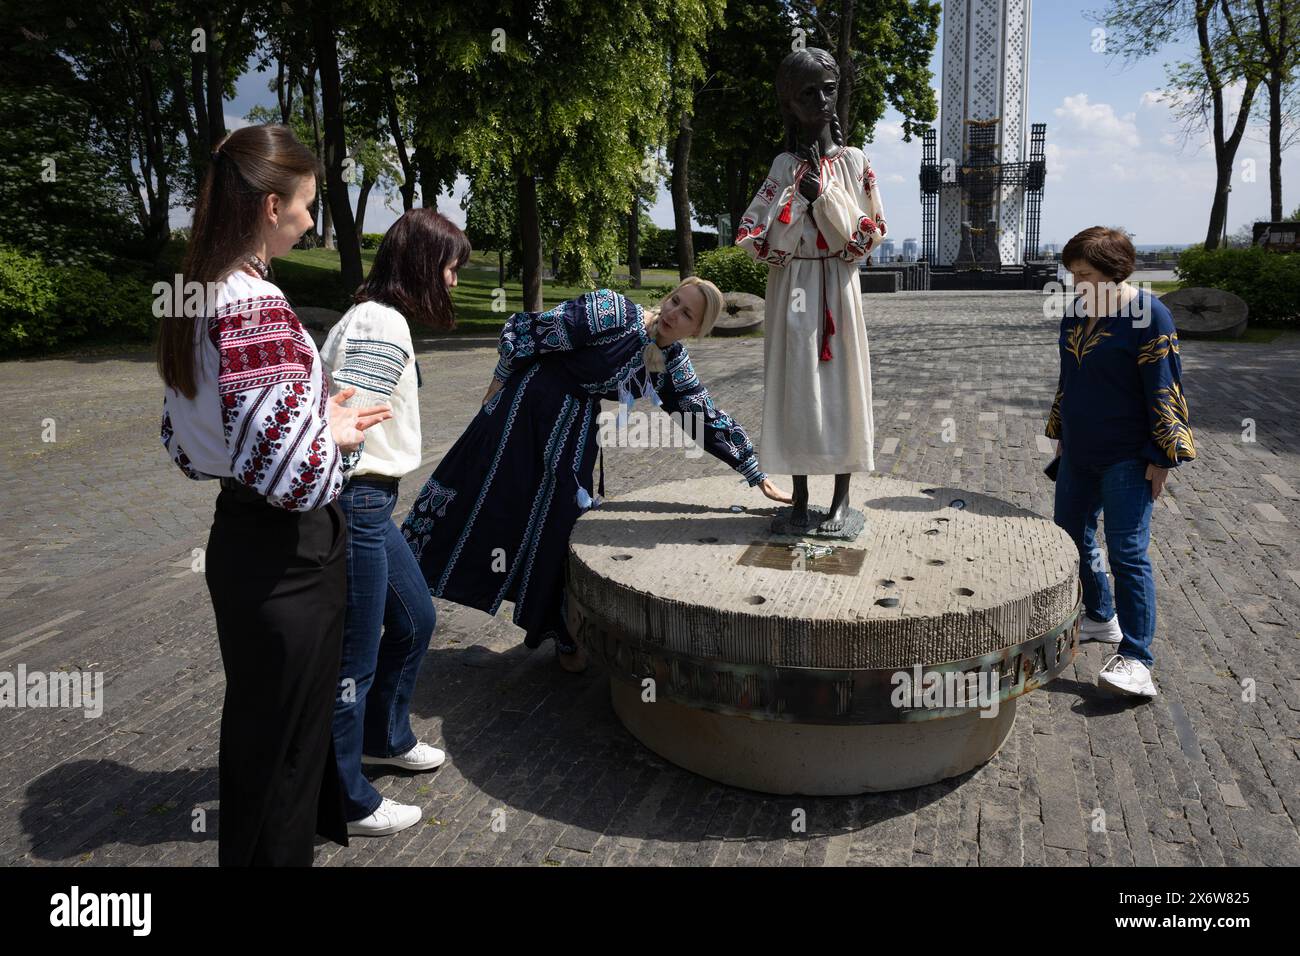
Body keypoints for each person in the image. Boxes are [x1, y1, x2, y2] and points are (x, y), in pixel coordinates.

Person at [157, 124, 391, 865]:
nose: (312, 221)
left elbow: (183, 440)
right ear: (268, 206)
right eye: (306, 205)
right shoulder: (257, 307)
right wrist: (338, 439)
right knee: (283, 765)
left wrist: (315, 419)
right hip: (290, 561)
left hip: (242, 544)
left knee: (263, 744)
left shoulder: (195, 296)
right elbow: (298, 478)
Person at [400, 279, 791, 671]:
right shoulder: (611, 311)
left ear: (698, 330)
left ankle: (560, 629)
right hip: (523, 413)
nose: (673, 313)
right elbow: (525, 331)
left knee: (560, 526)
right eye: (675, 301)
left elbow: (700, 414)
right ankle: (394, 583)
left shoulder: (671, 363)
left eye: (687, 314)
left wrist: (752, 469)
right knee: (481, 496)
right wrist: (497, 384)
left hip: (574, 429)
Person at [320, 209, 468, 837]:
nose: (456, 281)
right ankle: (345, 797)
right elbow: (346, 426)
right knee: (352, 659)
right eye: (451, 266)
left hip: (371, 504)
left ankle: (384, 736)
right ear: (423, 265)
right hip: (357, 502)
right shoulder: (381, 324)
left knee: (415, 618)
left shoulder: (376, 317)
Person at [735, 47, 887, 533]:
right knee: (796, 386)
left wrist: (824, 200)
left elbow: (869, 235)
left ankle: (842, 497)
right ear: (790, 105)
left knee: (844, 386)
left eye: (829, 89)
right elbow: (752, 236)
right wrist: (795, 207)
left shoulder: (856, 162)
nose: (821, 100)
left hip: (838, 288)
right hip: (793, 289)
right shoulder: (781, 167)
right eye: (808, 93)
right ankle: (799, 496)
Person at [1045, 226, 1196, 699]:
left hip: (1130, 458)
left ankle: (1137, 658)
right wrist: (1061, 437)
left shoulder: (1149, 315)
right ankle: (1099, 616)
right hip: (1080, 452)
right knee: (1071, 538)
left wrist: (1162, 457)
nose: (1075, 282)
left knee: (1127, 553)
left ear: (1115, 271)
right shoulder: (1077, 313)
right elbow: (1068, 380)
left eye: (1084, 273)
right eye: (1071, 273)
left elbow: (1165, 387)